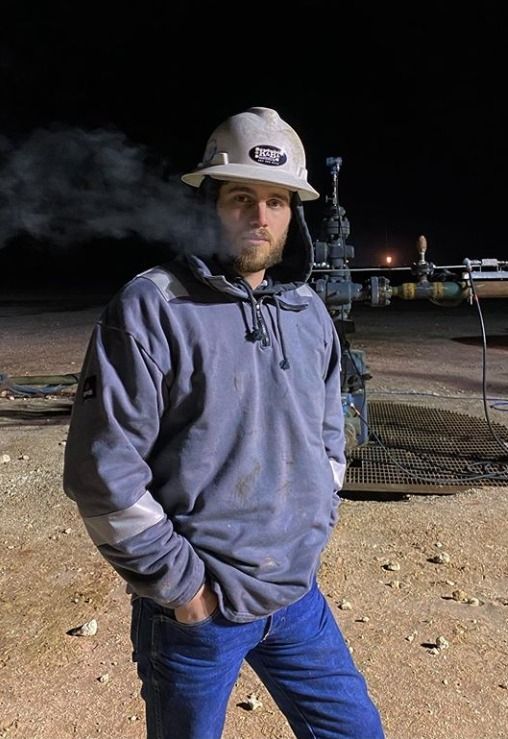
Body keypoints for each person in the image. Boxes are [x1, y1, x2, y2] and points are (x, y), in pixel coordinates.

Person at [63, 106, 384, 739]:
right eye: (242, 197)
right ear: (209, 203)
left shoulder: (309, 312)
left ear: (295, 214)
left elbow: (327, 433)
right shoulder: (153, 307)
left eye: (277, 201)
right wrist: (186, 592)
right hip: (199, 614)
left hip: (297, 599)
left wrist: (314, 522)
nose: (260, 217)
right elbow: (103, 475)